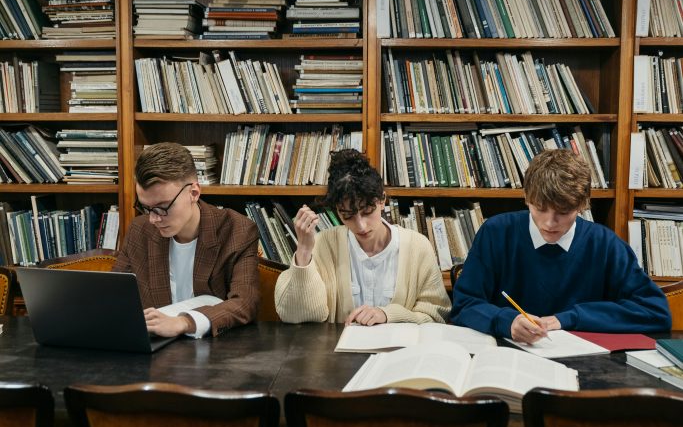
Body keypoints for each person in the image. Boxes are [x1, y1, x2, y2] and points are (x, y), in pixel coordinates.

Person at [450, 148, 671, 341]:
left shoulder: (605, 244)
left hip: (588, 366)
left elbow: (655, 312)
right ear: (526, 197)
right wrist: (506, 321)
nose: (549, 223)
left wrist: (569, 319)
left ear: (583, 205)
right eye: (539, 208)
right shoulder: (496, 232)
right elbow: (464, 305)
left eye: (563, 212)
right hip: (508, 359)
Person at [275, 148, 451, 325]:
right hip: (336, 351)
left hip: (400, 351)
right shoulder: (323, 245)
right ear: (337, 211)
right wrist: (304, 251)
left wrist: (388, 315)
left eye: (367, 211)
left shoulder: (418, 246)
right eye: (348, 216)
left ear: (382, 200)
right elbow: (295, 315)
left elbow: (437, 316)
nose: (360, 226)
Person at [113, 142, 259, 338]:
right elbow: (116, 293)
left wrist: (184, 322)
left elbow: (245, 303)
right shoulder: (140, 230)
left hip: (213, 353)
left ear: (194, 193)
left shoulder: (237, 230)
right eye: (145, 207)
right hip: (152, 351)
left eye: (163, 207)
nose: (153, 219)